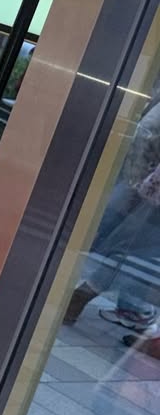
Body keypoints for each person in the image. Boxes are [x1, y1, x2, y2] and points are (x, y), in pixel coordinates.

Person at [63, 94, 160, 327]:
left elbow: (146, 130)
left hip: (146, 185)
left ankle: (80, 294)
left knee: (128, 246)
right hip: (147, 189)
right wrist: (138, 180)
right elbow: (146, 131)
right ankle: (80, 295)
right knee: (132, 249)